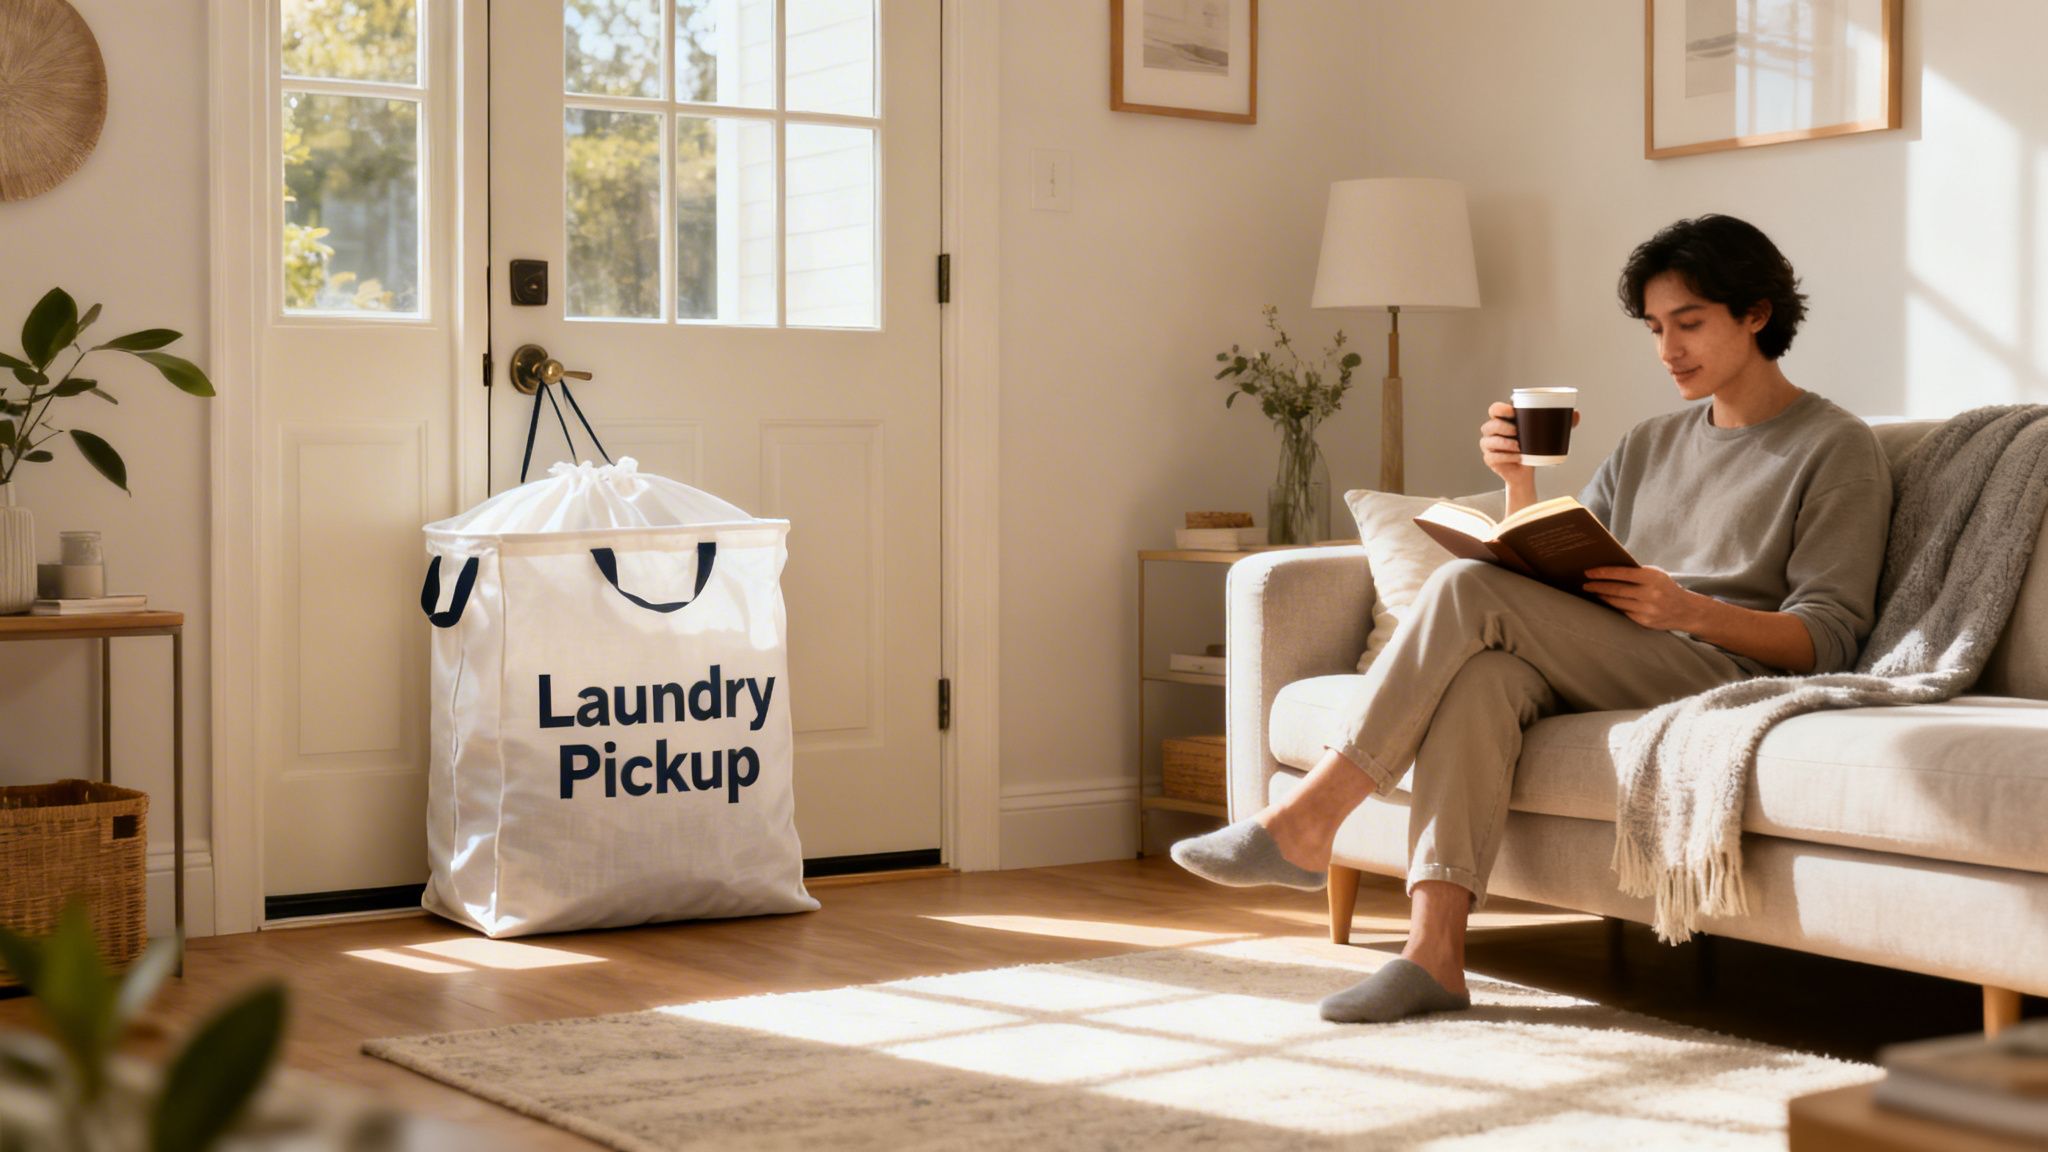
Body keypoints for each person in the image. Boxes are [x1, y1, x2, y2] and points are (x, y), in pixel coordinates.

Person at [1169, 214, 1893, 1023]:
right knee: (1485, 673)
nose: (1667, 350)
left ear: (1756, 314)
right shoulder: (1651, 442)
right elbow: (1562, 567)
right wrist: (1517, 481)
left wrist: (1689, 608)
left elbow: (1829, 638)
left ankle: (1311, 818)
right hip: (1626, 649)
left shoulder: (1835, 446)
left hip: (1724, 670)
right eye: (1655, 329)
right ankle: (1434, 955)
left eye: (1688, 323)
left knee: (1466, 592)